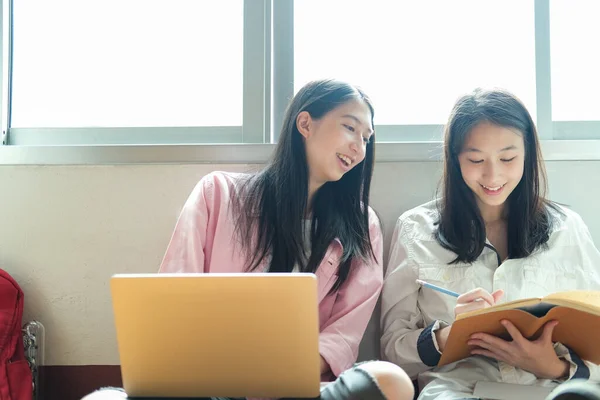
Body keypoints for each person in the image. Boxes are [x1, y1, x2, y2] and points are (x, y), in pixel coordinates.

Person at [84, 79, 413, 400]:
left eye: (367, 138)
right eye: (350, 128)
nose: (359, 147)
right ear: (305, 124)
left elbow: (344, 332)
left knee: (391, 380)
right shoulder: (218, 194)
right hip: (209, 381)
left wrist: (280, 377)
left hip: (299, 386)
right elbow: (175, 293)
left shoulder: (361, 224)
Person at [380, 88, 600, 400]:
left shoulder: (568, 228)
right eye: (476, 159)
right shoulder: (416, 229)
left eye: (508, 158)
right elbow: (391, 351)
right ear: (455, 159)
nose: (492, 174)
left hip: (553, 389)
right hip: (459, 389)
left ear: (527, 153)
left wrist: (554, 367)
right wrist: (448, 335)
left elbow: (596, 337)